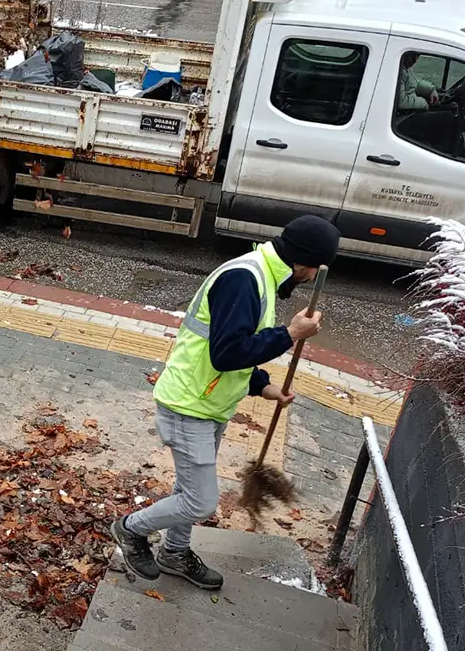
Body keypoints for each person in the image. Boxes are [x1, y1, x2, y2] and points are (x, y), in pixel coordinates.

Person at [111, 215, 340, 590]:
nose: (313, 278)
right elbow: (226, 352)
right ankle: (130, 529)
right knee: (200, 502)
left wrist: (263, 386)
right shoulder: (243, 279)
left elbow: (236, 348)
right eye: (315, 269)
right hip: (189, 407)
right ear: (304, 262)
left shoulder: (261, 276)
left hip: (208, 403)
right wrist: (290, 333)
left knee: (188, 491)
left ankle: (175, 552)